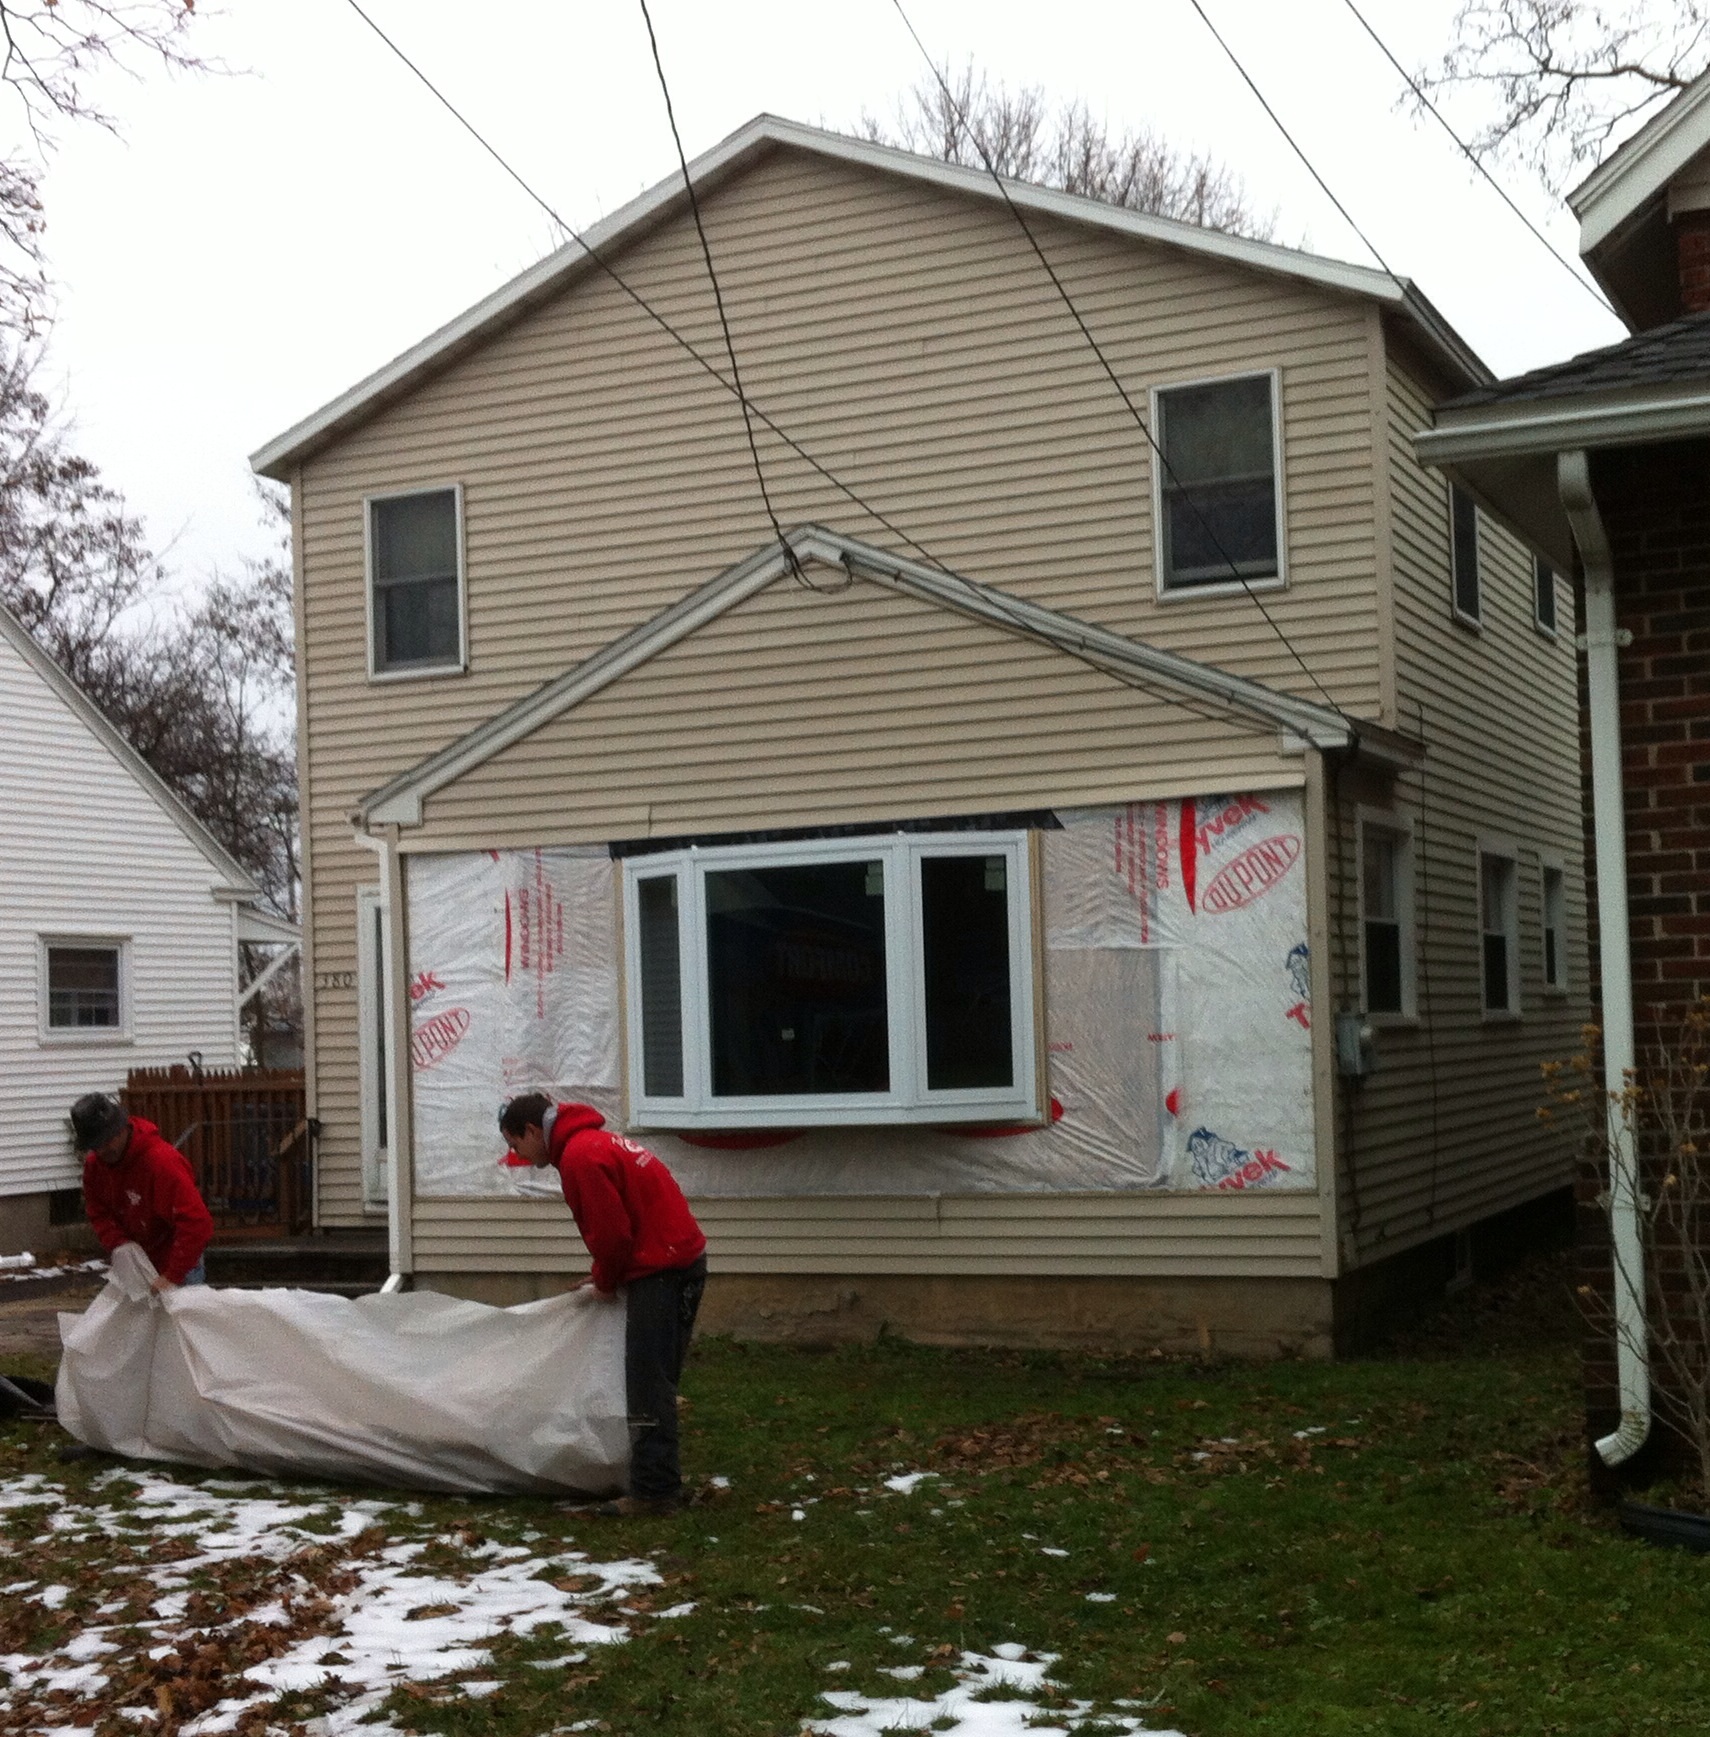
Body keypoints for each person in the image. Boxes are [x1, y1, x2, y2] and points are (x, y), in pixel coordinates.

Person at [499, 1094, 707, 1516]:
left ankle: (655, 1493)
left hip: (662, 1271)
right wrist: (602, 1273)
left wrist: (607, 1282)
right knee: (658, 1379)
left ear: (533, 1131)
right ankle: (658, 1480)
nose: (517, 1154)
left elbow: (612, 1235)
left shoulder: (580, 1157)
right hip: (680, 1260)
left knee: (648, 1384)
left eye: (515, 1143)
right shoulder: (596, 1142)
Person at [70, 1093, 214, 1293]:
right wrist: (120, 1244)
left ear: (122, 1127)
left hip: (179, 1262)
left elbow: (196, 1223)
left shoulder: (161, 1162)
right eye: (96, 1145)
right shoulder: (95, 1167)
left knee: (182, 1313)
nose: (104, 1149)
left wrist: (172, 1275)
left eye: (109, 1139)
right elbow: (98, 1212)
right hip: (138, 1264)